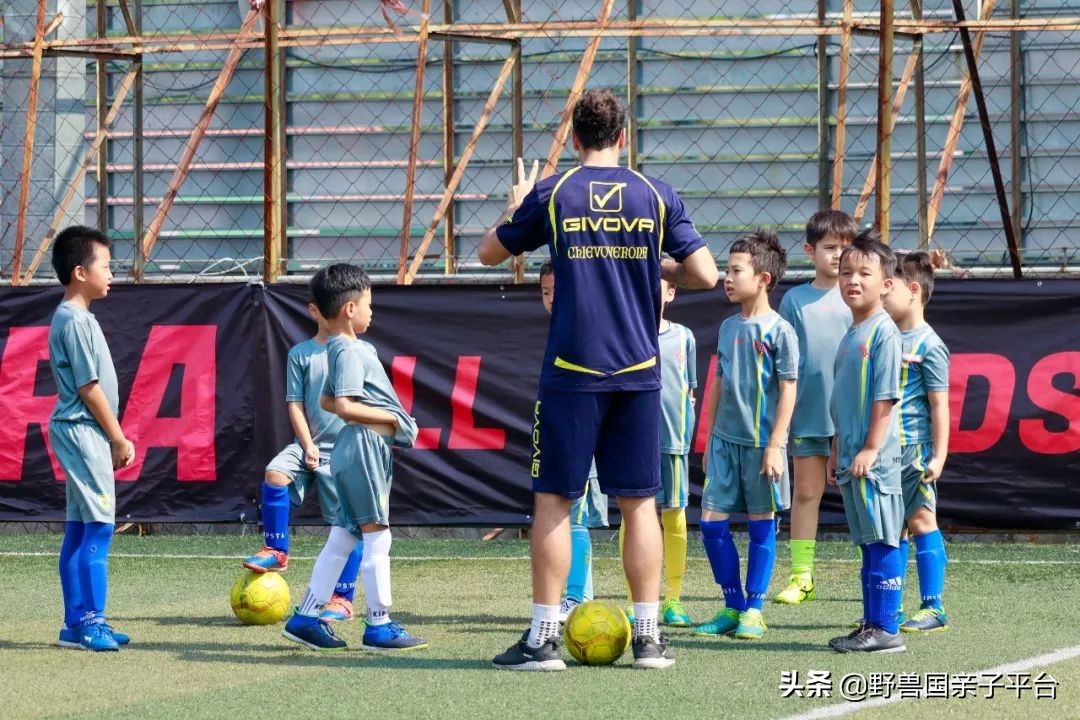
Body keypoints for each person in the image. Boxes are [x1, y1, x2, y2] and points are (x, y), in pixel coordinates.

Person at [478, 88, 719, 671]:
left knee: (554, 502)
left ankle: (543, 640)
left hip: (571, 371)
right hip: (639, 371)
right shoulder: (655, 195)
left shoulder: (553, 192)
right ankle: (649, 639)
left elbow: (488, 254)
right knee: (641, 504)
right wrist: (646, 262)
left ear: (574, 137)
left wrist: (515, 209)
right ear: (624, 137)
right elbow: (707, 275)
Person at [281, 264, 425, 651]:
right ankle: (379, 624)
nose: (371, 311)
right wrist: (392, 417)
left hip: (358, 447)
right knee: (378, 535)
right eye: (367, 304)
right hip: (362, 447)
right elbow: (343, 405)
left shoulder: (345, 348)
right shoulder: (348, 349)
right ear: (348, 309)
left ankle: (305, 618)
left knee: (344, 533)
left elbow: (328, 400)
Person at [694, 231, 798, 641]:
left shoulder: (780, 332)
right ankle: (732, 604)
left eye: (736, 270)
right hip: (723, 442)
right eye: (727, 270)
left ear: (763, 279)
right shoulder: (726, 328)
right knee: (711, 525)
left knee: (761, 525)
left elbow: (789, 388)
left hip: (762, 448)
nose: (727, 277)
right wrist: (708, 437)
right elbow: (717, 381)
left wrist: (775, 445)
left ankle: (754, 609)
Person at [242, 300, 363, 624]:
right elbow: (294, 404)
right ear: (314, 311)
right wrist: (308, 444)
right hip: (307, 445)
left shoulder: (358, 352)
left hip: (345, 453)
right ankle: (277, 551)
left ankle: (342, 598)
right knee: (275, 474)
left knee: (348, 527)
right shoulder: (300, 354)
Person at [49, 226, 135, 652]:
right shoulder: (75, 321)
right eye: (106, 266)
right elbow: (89, 388)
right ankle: (90, 621)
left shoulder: (76, 317)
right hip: (84, 431)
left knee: (80, 528)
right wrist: (117, 438)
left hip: (81, 432)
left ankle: (75, 623)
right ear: (80, 272)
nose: (112, 274)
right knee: (99, 527)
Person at [827, 231, 906, 654]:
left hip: (875, 462)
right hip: (853, 458)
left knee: (883, 537)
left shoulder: (883, 333)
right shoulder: (851, 333)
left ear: (886, 284)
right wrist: (840, 445)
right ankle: (872, 622)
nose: (852, 280)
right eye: (845, 272)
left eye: (863, 273)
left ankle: (886, 627)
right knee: (866, 539)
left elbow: (884, 397)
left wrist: (871, 448)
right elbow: (844, 400)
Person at [773, 210, 857, 605]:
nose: (839, 256)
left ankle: (874, 573)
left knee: (864, 496)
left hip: (855, 419)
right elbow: (786, 365)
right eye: (830, 248)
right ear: (810, 251)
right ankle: (802, 577)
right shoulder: (794, 300)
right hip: (808, 414)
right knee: (806, 493)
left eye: (846, 248)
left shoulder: (860, 295)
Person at [536, 262, 613, 622]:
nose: (551, 300)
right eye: (545, 293)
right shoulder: (558, 330)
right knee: (565, 514)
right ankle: (580, 594)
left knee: (575, 516)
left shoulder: (587, 328)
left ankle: (573, 596)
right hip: (561, 429)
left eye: (558, 292)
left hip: (583, 432)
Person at [620, 276, 697, 627]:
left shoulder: (684, 337)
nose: (650, 290)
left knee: (675, 514)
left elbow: (690, 391)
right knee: (635, 516)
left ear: (671, 292)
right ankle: (635, 600)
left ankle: (673, 597)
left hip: (674, 443)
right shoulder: (625, 331)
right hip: (634, 440)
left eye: (659, 284)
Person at [883, 251, 951, 633]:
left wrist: (939, 455)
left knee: (922, 520)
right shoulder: (885, 335)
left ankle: (933, 607)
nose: (880, 294)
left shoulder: (930, 344)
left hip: (915, 450)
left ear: (912, 291)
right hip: (886, 453)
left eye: (887, 287)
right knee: (892, 528)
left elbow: (939, 405)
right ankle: (887, 607)